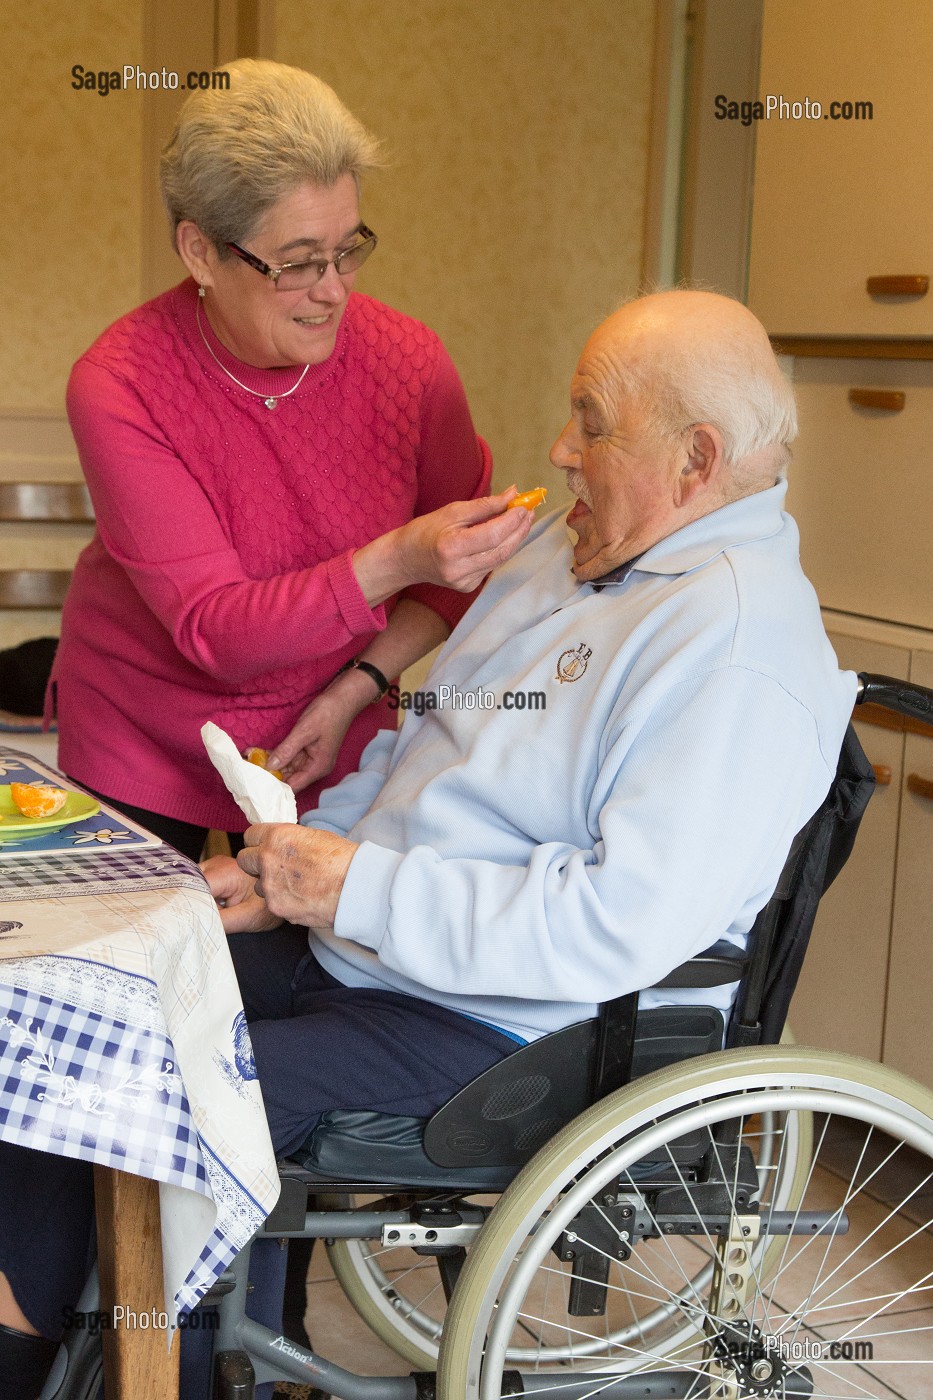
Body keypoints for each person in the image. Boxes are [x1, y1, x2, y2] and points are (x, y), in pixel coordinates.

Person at [0, 289, 855, 1394]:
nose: (560, 448)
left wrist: (352, 889)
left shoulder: (737, 648)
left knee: (169, 1086)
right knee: (84, 1009)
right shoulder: (570, 551)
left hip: (509, 1018)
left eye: (592, 421)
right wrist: (290, 870)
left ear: (695, 461)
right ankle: (35, 1342)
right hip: (379, 949)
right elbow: (421, 749)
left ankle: (179, 1366)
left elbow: (610, 922)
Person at [51, 59, 531, 862]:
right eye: (299, 262)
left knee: (300, 978)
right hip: (143, 732)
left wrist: (355, 689)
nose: (334, 289)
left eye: (349, 250)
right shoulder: (119, 384)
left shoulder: (409, 364)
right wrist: (398, 554)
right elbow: (216, 631)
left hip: (334, 721)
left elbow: (457, 576)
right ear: (200, 252)